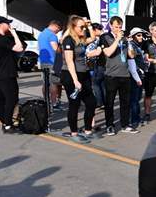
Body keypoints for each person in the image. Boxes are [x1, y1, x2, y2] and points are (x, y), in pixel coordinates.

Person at [60, 15, 100, 143]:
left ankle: (87, 130)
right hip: (71, 75)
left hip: (84, 73)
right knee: (75, 104)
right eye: (81, 27)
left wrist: (89, 25)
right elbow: (69, 61)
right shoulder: (68, 40)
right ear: (73, 27)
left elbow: (93, 38)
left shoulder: (81, 39)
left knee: (91, 102)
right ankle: (74, 133)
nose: (84, 29)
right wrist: (75, 80)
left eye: (84, 27)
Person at [98, 16, 139, 135]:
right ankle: (109, 125)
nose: (118, 29)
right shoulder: (105, 37)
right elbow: (108, 53)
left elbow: (131, 56)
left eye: (120, 27)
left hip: (125, 75)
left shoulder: (124, 39)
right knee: (109, 102)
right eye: (116, 27)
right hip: (111, 74)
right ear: (111, 26)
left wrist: (129, 43)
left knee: (125, 102)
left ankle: (125, 124)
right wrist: (117, 40)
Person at [0, 15, 23, 134]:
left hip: (1, 74)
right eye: (7, 23)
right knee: (11, 99)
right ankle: (7, 124)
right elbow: (19, 48)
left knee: (0, 100)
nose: (9, 25)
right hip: (6, 74)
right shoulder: (2, 39)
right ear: (1, 25)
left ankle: (5, 122)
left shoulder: (3, 38)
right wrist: (14, 34)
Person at [37, 20, 63, 109]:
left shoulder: (41, 34)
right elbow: (55, 48)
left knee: (45, 83)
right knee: (54, 83)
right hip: (53, 62)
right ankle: (54, 103)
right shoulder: (52, 35)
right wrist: (61, 49)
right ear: (55, 26)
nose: (58, 31)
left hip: (43, 61)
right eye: (58, 29)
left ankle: (46, 101)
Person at [127, 29, 147, 128]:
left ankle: (135, 118)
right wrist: (137, 77)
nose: (141, 37)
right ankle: (134, 120)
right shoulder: (131, 45)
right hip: (134, 76)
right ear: (133, 36)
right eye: (138, 35)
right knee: (134, 99)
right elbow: (131, 63)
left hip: (139, 75)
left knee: (137, 98)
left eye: (141, 35)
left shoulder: (137, 46)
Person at [87, 23, 106, 111]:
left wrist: (87, 54)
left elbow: (97, 52)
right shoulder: (104, 37)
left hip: (98, 65)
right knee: (102, 84)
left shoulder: (100, 39)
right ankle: (104, 103)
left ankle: (99, 102)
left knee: (95, 84)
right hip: (102, 65)